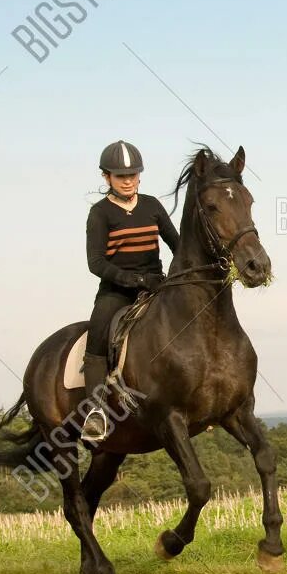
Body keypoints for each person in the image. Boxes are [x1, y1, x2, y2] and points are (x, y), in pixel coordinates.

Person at [81, 139, 179, 443]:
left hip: (157, 286)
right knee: (97, 336)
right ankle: (96, 412)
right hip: (116, 291)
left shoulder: (152, 206)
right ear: (106, 177)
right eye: (121, 176)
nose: (128, 181)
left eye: (133, 175)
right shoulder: (100, 213)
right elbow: (95, 263)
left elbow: (178, 245)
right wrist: (135, 281)